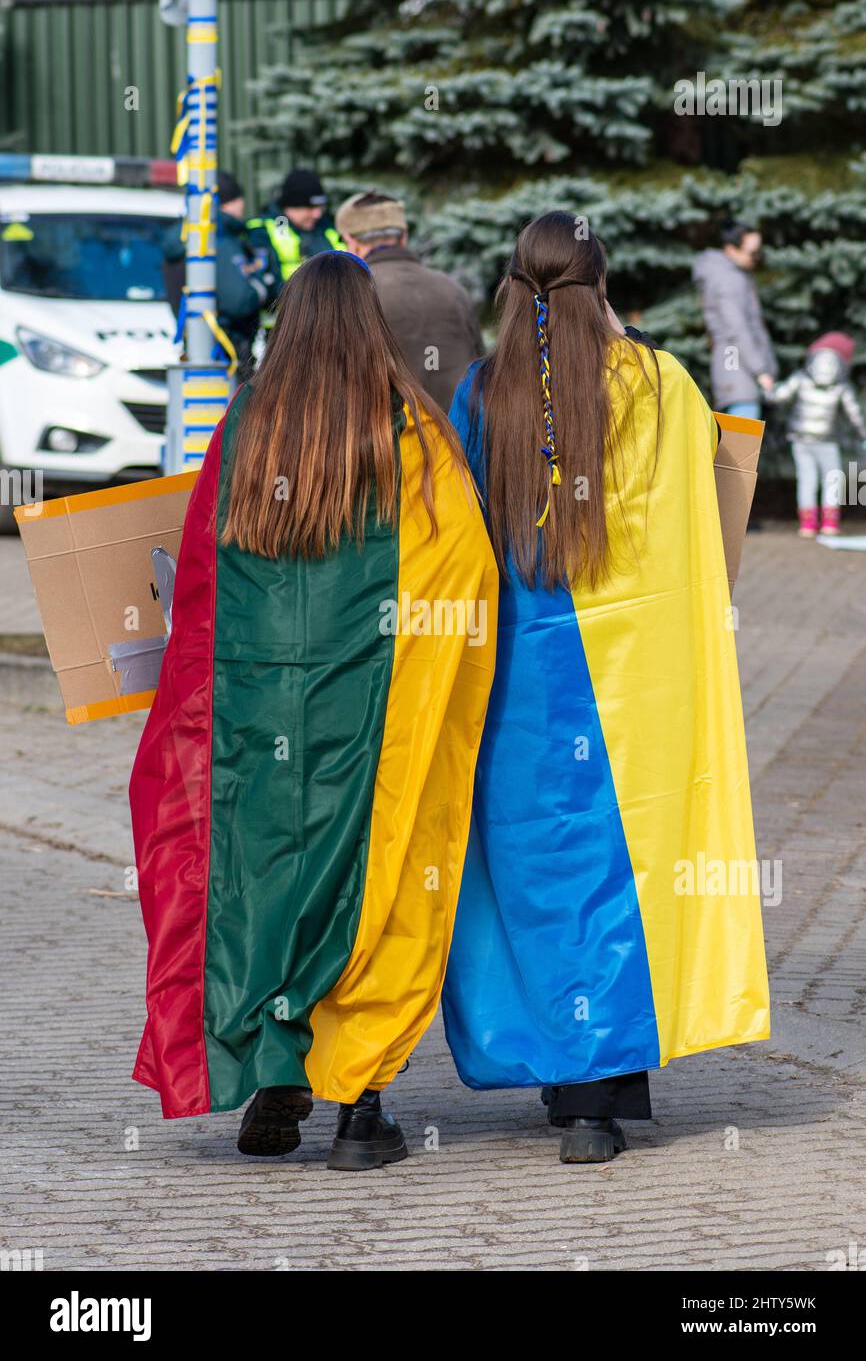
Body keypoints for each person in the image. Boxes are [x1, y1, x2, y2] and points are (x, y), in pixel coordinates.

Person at [129, 251, 498, 1169]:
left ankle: (271, 1089)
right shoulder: (410, 433)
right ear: (370, 327)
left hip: (255, 724)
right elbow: (465, 573)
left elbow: (203, 587)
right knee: (369, 894)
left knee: (267, 897)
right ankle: (359, 1114)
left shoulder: (248, 424)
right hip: (369, 720)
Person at [440, 212, 770, 1164]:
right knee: (623, 878)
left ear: (512, 286)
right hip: (635, 690)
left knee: (533, 877)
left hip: (516, 690)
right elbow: (705, 509)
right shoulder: (661, 384)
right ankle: (600, 1098)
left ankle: (560, 1073)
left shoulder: (482, 390)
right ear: (604, 282)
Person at [335, 190, 485, 410]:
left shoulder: (350, 295)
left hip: (389, 439)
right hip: (454, 437)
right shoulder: (454, 291)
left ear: (352, 242)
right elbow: (480, 372)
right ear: (403, 237)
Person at [163, 170, 282, 380]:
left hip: (199, 346)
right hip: (228, 353)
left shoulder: (186, 238)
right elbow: (240, 299)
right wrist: (262, 285)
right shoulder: (219, 241)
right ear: (231, 202)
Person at [768, 331, 866, 537]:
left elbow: (779, 396)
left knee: (806, 479)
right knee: (832, 479)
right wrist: (863, 434)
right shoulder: (841, 387)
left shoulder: (800, 379)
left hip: (800, 439)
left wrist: (768, 389)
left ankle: (808, 525)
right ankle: (830, 524)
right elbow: (855, 415)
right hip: (827, 440)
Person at [693, 220, 777, 419]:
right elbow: (737, 328)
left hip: (738, 367)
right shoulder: (727, 279)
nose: (757, 258)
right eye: (752, 252)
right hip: (737, 367)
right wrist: (761, 370)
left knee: (740, 445)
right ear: (731, 249)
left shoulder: (733, 274)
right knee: (741, 447)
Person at [248, 167, 346, 282]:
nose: (317, 214)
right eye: (310, 208)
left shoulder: (327, 226)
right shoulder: (262, 231)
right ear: (290, 206)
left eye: (320, 207)